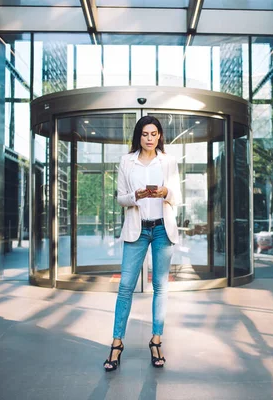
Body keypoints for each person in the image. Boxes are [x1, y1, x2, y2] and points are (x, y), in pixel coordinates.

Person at [103, 115, 181, 372]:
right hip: (137, 229)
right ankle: (117, 343)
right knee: (125, 286)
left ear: (159, 136)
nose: (149, 138)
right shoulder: (127, 161)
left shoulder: (168, 161)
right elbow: (120, 198)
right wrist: (135, 196)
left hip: (162, 228)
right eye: (145, 134)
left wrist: (165, 193)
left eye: (154, 134)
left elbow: (177, 196)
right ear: (139, 136)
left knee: (160, 287)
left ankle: (156, 340)